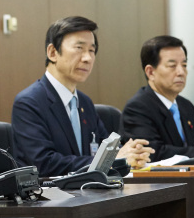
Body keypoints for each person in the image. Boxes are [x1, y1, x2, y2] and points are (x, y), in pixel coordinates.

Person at [11, 16, 155, 177]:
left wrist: (130, 154)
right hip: (51, 198)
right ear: (52, 52)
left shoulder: (84, 102)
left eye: (92, 51)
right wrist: (113, 160)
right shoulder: (29, 102)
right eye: (79, 48)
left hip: (88, 191)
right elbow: (43, 164)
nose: (87, 58)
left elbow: (104, 150)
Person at [121, 35, 194, 162]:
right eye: (172, 66)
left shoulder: (185, 105)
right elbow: (153, 152)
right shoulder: (138, 108)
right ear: (150, 72)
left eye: (184, 64)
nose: (181, 72)